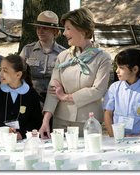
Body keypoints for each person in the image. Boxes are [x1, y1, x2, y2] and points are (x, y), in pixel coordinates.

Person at [39, 8, 112, 139]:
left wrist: (66, 97)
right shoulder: (63, 57)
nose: (64, 33)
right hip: (60, 121)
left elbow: (98, 90)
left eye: (68, 28)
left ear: (82, 30)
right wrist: (45, 121)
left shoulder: (103, 58)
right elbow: (53, 91)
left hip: (88, 122)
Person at [0, 54, 43, 140]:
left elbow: (36, 121)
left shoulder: (31, 95)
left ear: (18, 75)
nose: (0, 74)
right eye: (0, 69)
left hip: (23, 141)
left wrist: (22, 133)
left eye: (5, 71)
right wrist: (3, 129)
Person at [103, 49, 140, 137]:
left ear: (135, 69)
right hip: (116, 138)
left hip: (139, 140)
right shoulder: (114, 88)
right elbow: (108, 113)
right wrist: (112, 135)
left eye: (121, 68)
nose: (117, 71)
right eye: (117, 67)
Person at [19, 10, 66, 103]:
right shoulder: (27, 50)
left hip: (55, 101)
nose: (40, 31)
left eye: (44, 28)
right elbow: (18, 74)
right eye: (38, 28)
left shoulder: (63, 53)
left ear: (55, 31)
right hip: (30, 99)